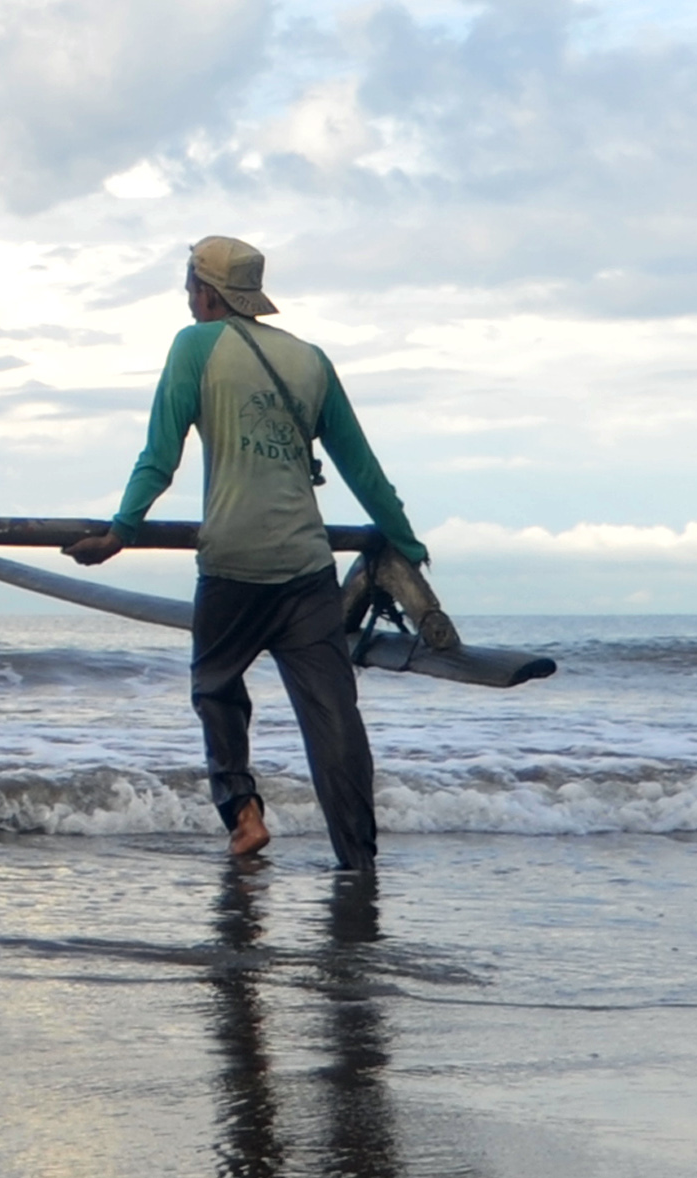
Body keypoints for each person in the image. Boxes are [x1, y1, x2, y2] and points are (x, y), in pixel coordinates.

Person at [66, 235, 431, 873]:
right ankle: (358, 857)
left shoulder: (194, 347)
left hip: (233, 564)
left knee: (216, 688)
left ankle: (244, 815)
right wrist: (404, 541)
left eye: (188, 286)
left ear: (205, 292)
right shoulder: (311, 359)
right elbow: (361, 467)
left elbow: (161, 454)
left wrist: (121, 531)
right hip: (307, 569)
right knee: (333, 718)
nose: (187, 298)